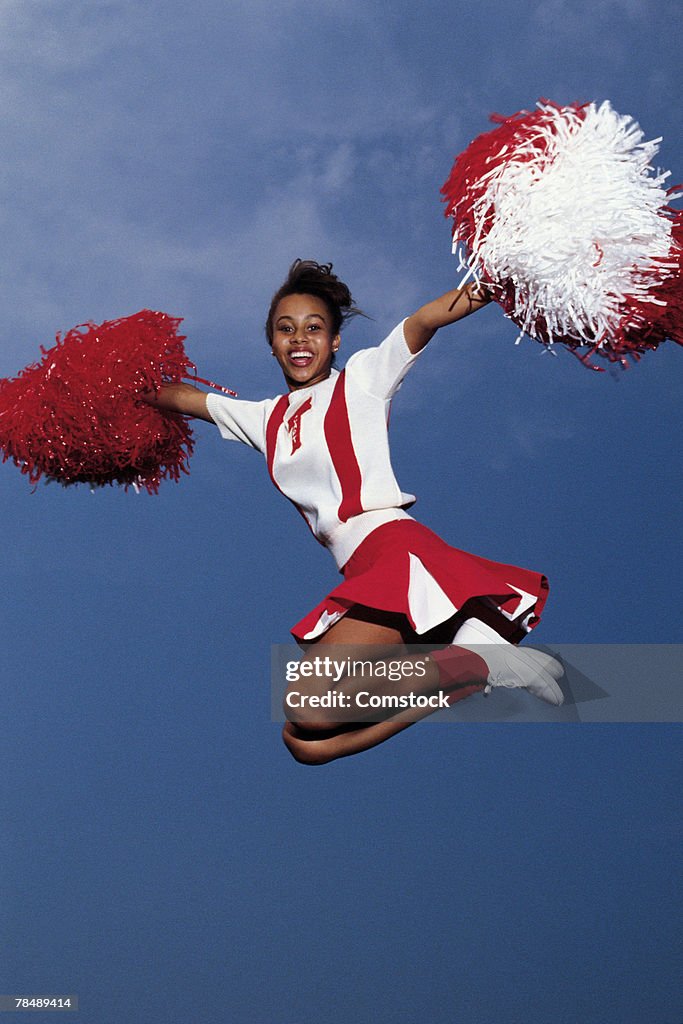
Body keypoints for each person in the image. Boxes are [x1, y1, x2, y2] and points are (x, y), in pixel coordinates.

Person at [143, 260, 564, 765]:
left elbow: (421, 322)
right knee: (305, 742)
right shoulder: (264, 418)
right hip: (361, 566)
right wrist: (108, 388)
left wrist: (496, 285)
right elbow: (184, 398)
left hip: (394, 548)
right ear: (273, 344)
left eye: (314, 328)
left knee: (307, 704)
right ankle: (470, 667)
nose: (300, 339)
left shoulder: (360, 380)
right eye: (286, 329)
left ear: (336, 341)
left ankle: (474, 659)